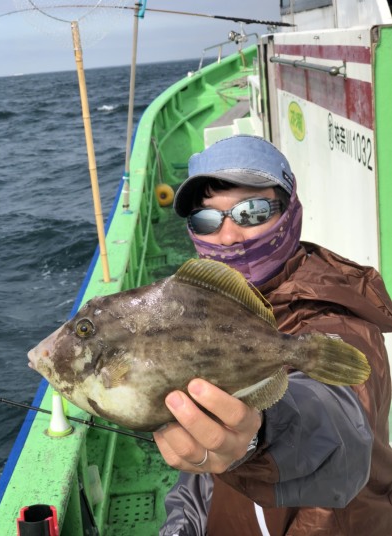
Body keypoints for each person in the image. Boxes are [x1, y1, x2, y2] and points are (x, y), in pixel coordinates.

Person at [154, 135, 392, 535]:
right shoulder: (205, 323)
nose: (228, 237)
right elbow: (203, 476)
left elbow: (337, 422)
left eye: (251, 212)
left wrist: (260, 431)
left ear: (289, 209)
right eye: (207, 220)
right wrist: (182, 523)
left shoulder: (339, 320)